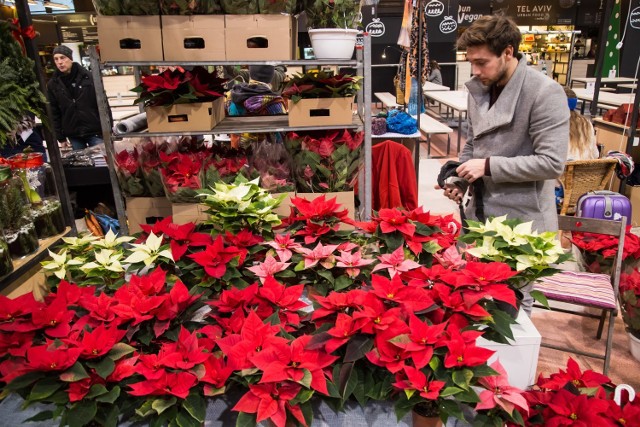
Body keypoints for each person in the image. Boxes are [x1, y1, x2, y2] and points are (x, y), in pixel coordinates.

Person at [436, 15, 569, 313]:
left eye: (482, 62)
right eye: (471, 61)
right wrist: (461, 180)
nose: (475, 70)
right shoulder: (480, 88)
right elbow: (473, 143)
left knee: (512, 309)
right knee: (472, 300)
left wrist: (488, 167)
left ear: (508, 52)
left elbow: (552, 163)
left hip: (522, 222)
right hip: (481, 215)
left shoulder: (543, 93)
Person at [47, 45, 103, 151]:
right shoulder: (53, 84)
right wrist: (60, 137)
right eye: (56, 59)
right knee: (81, 164)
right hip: (73, 134)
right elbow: (54, 112)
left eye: (62, 58)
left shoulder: (88, 77)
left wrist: (107, 129)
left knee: (103, 162)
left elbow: (102, 103)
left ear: (70, 59)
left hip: (95, 131)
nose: (59, 62)